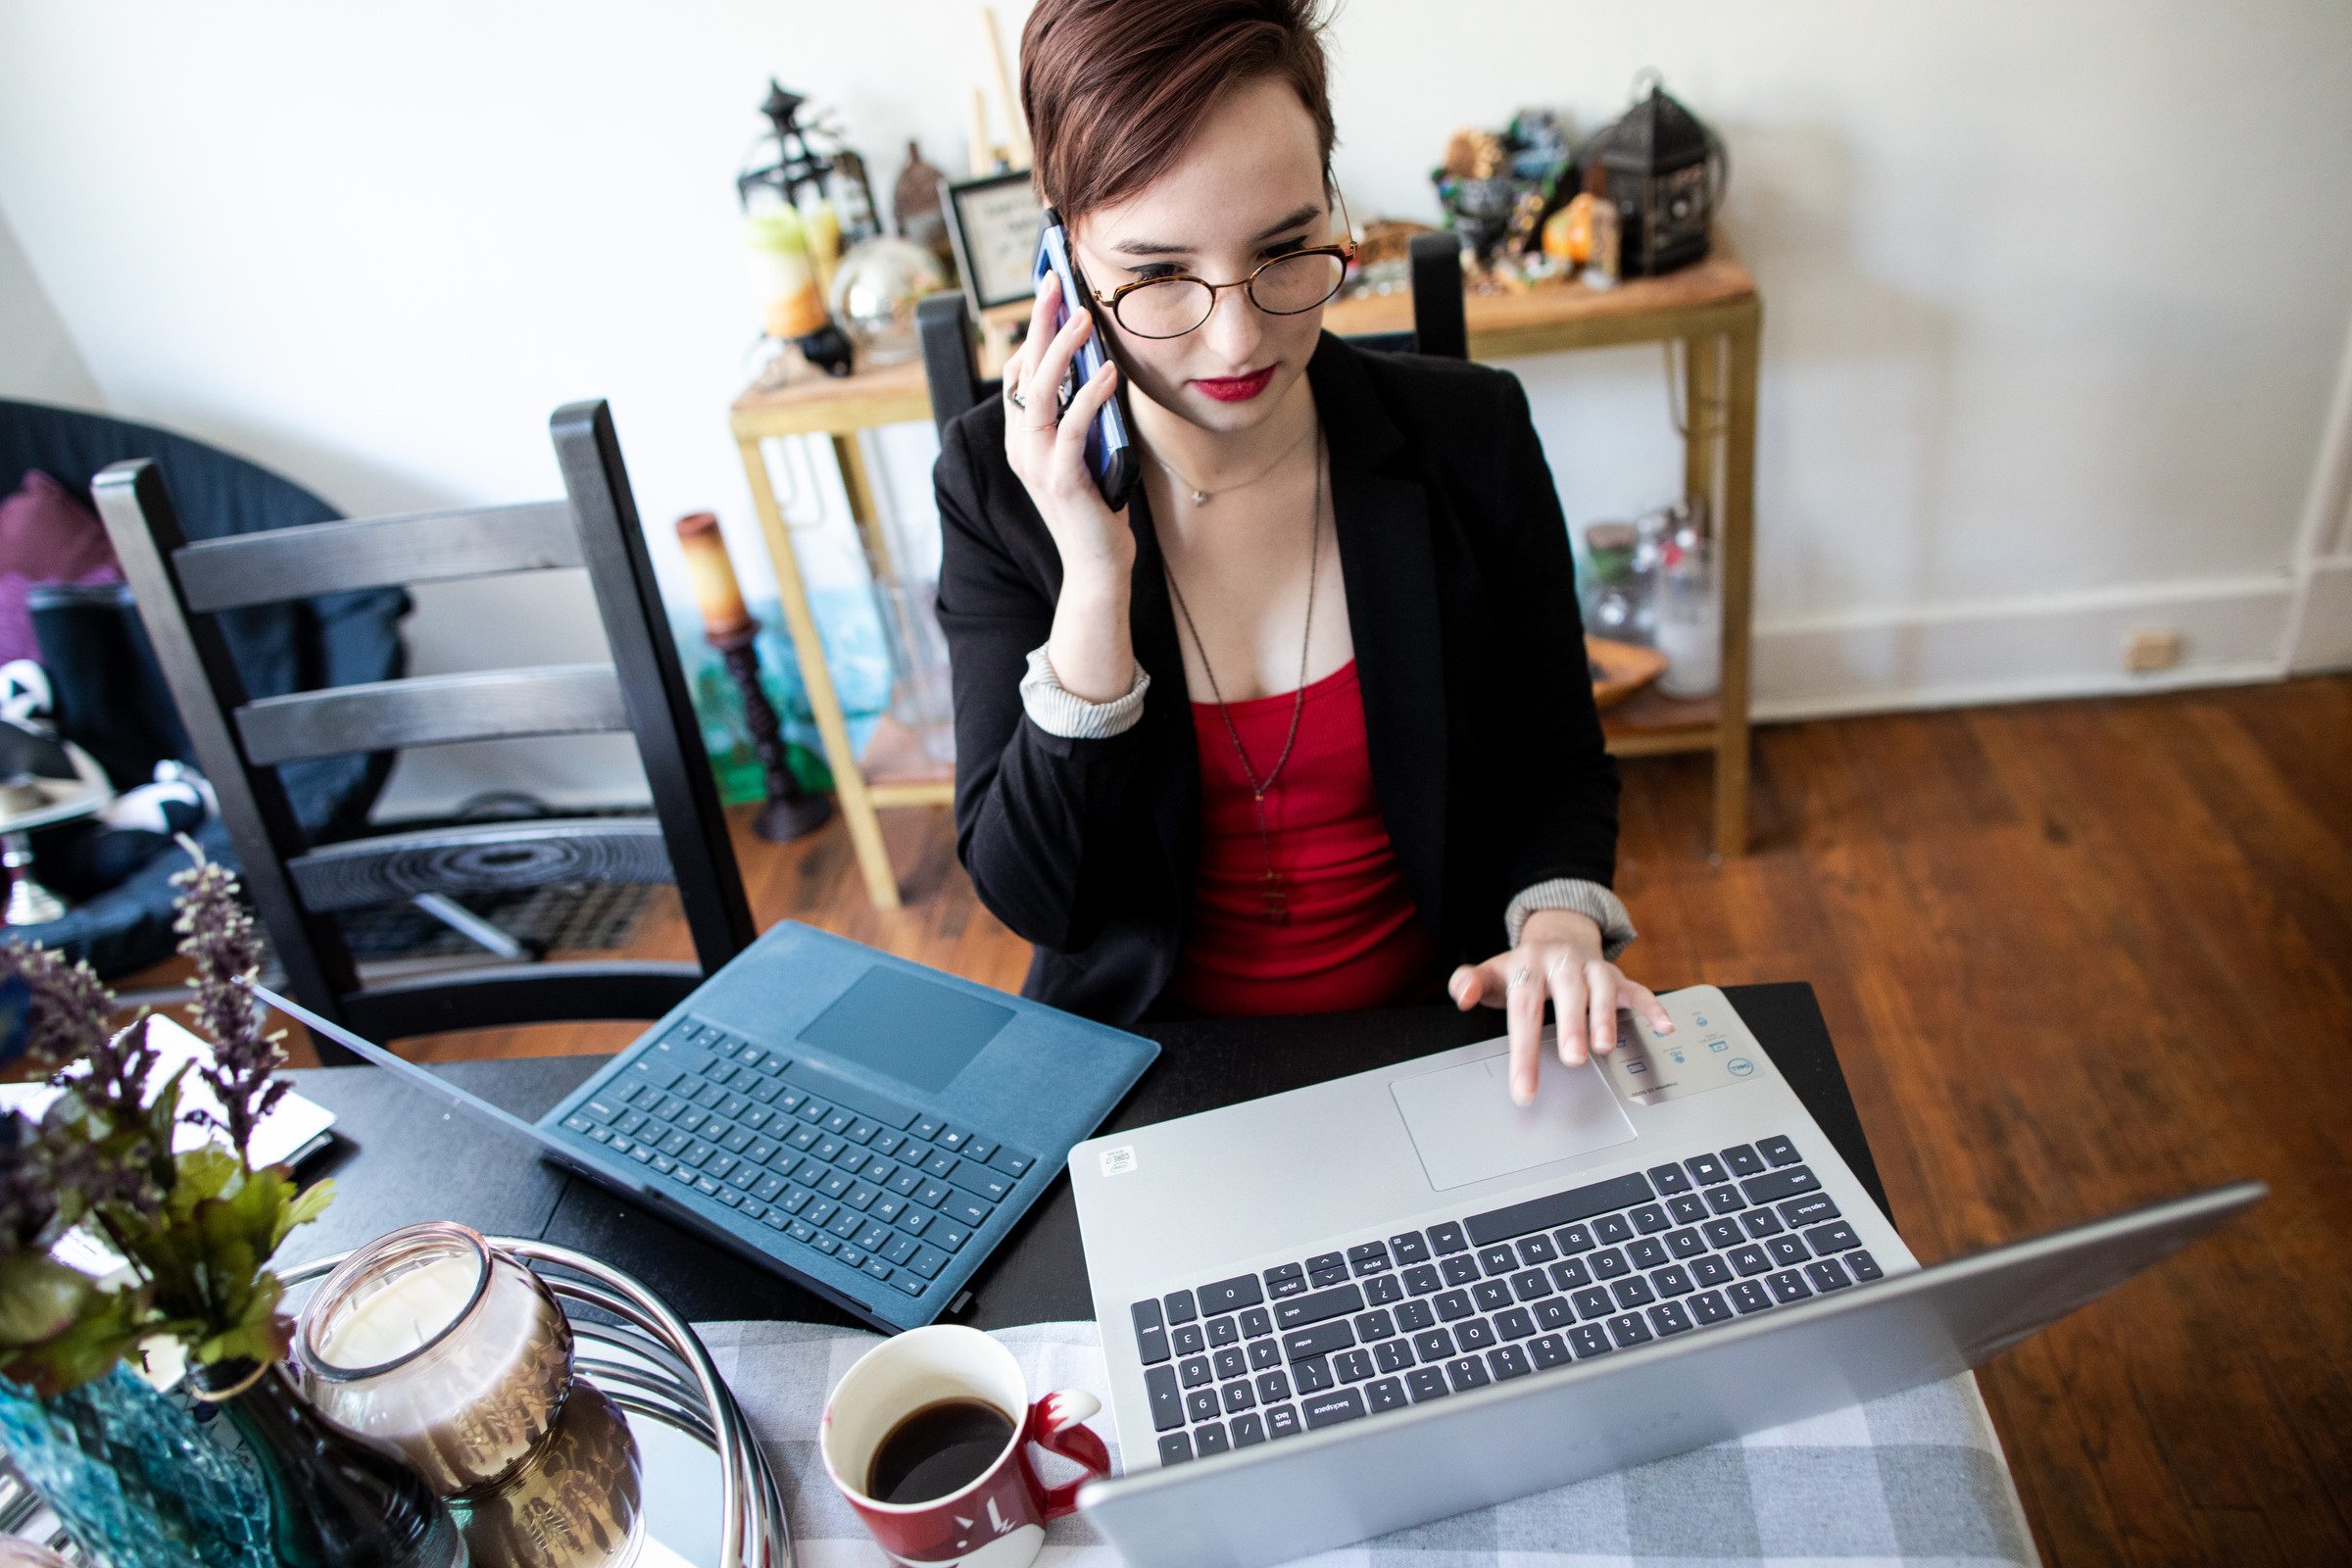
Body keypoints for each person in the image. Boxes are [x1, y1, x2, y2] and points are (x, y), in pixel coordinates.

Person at [933, 0, 1672, 1103]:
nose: (1237, 340)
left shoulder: (1471, 436)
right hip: (1149, 1078)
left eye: (1285, 251)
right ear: (1064, 249)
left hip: (1447, 1037)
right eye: (1158, 275)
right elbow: (1044, 898)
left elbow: (1554, 761)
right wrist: (1095, 583)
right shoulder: (998, 481)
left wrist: (1558, 918)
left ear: (1331, 204)